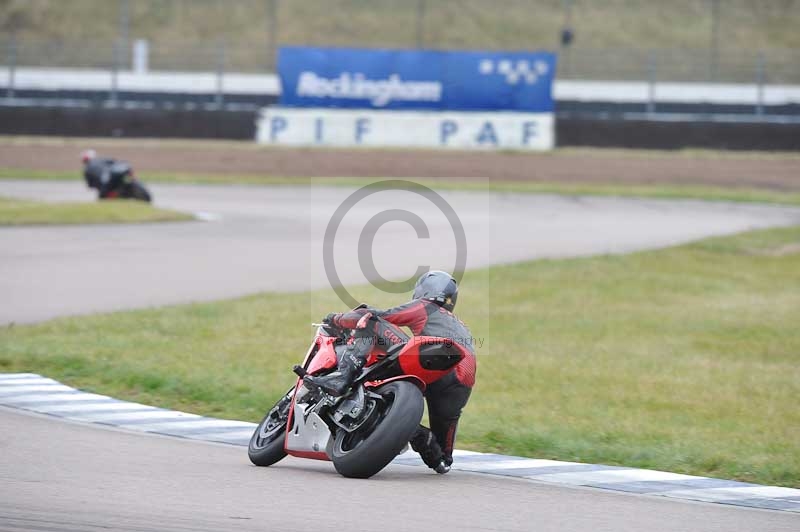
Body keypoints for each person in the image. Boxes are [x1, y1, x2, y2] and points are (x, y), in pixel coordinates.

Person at [306, 270, 477, 474]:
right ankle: (431, 449)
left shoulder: (425, 307)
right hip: (462, 383)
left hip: (431, 359)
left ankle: (342, 379)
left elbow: (382, 316)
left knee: (369, 321)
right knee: (443, 458)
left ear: (424, 290)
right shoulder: (463, 327)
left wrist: (337, 319)